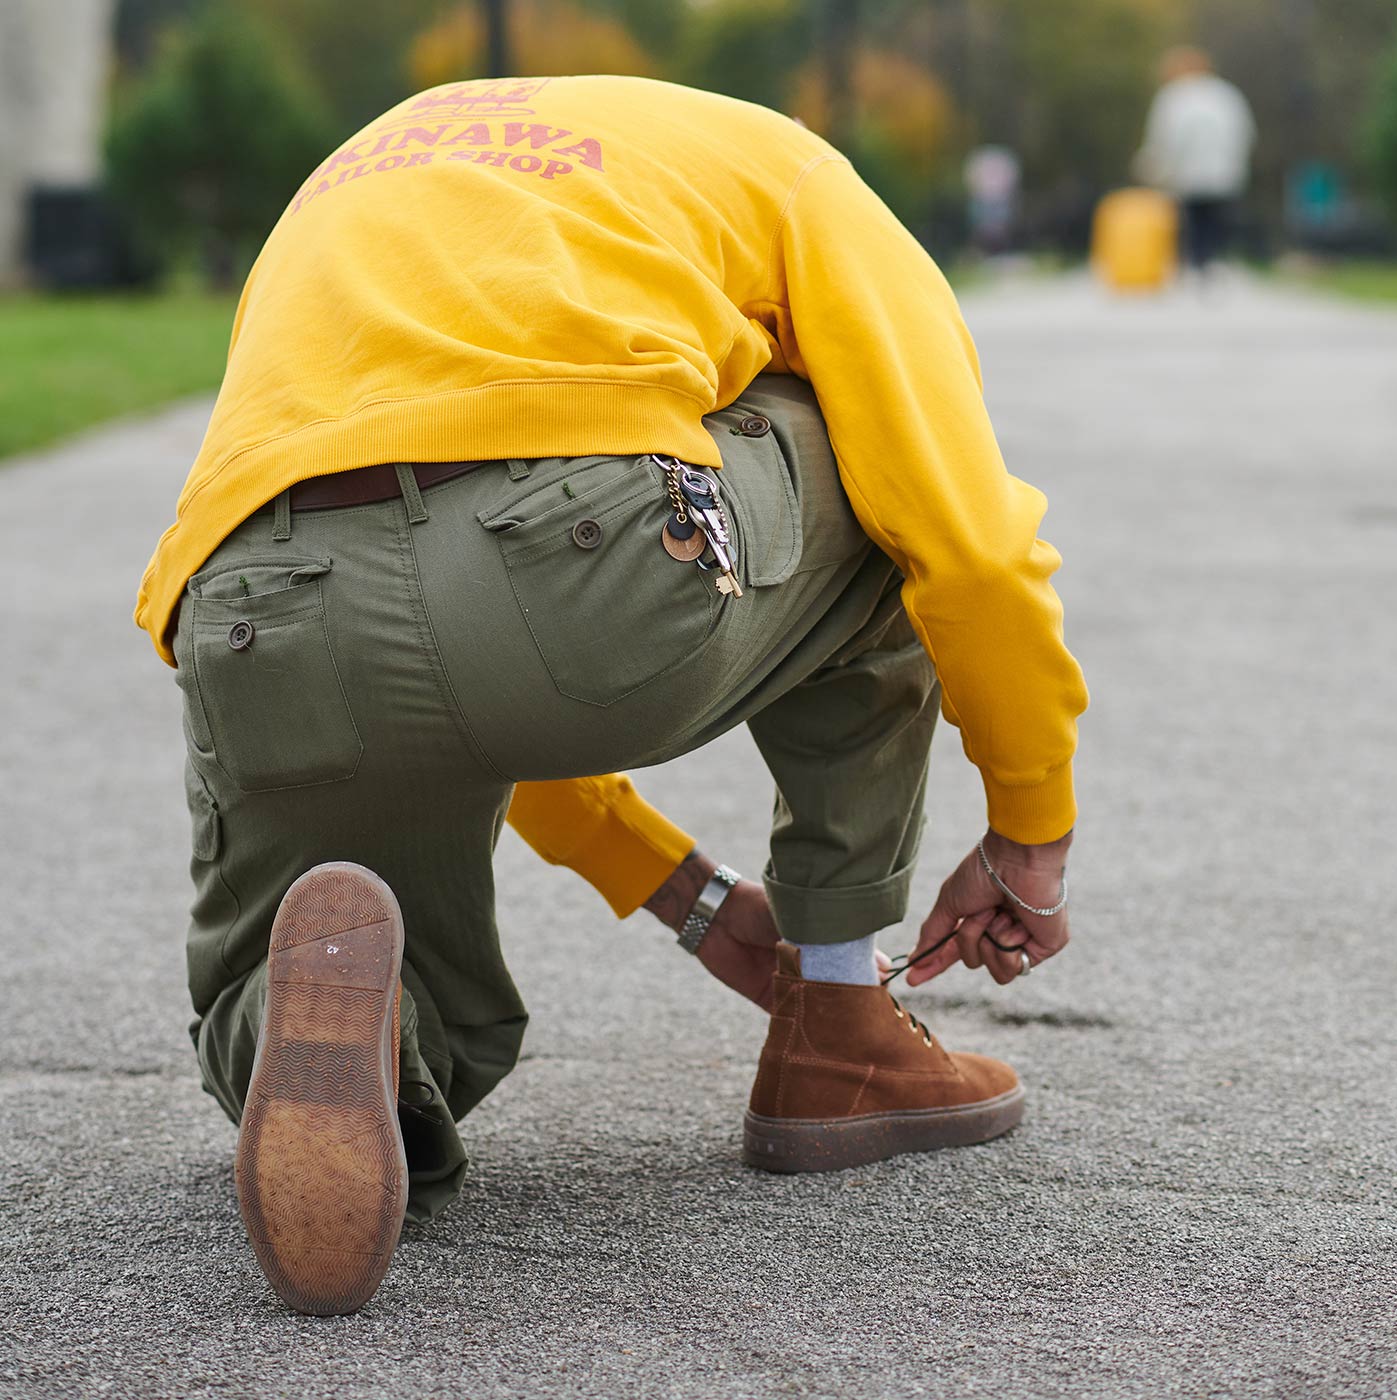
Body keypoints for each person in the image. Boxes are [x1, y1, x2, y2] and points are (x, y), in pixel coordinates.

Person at [135, 75, 1087, 1316]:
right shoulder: (797, 178)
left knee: (312, 980)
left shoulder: (367, 160)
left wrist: (678, 892)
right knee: (883, 472)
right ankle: (839, 1020)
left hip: (256, 609)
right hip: (577, 583)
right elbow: (966, 545)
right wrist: (1031, 827)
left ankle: (336, 1042)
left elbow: (428, 611)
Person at [1134, 46, 1256, 274]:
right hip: (1225, 172)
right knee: (1217, 219)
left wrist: (1153, 165)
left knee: (1192, 220)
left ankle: (1197, 264)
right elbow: (1246, 131)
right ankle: (1216, 262)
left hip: (1187, 173)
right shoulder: (1227, 94)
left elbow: (1165, 137)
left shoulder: (1173, 97)